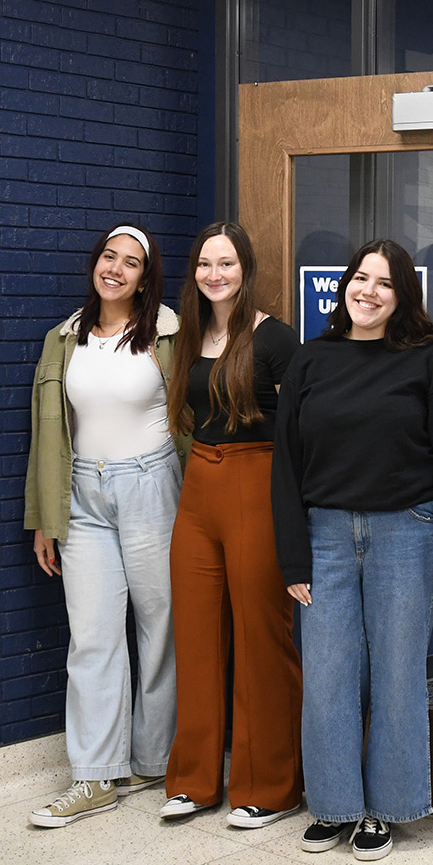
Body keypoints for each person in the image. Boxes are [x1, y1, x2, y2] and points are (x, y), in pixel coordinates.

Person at [272, 239, 433, 861]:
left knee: (397, 675)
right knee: (329, 677)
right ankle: (333, 807)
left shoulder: (429, 361)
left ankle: (388, 810)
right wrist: (292, 557)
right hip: (325, 536)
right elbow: (285, 465)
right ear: (344, 286)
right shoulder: (311, 360)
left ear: (402, 296)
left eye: (383, 284)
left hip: (406, 532)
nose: (367, 291)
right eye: (359, 279)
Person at [24, 223, 187, 828]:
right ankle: (92, 777)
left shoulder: (169, 333)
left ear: (147, 278)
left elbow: (194, 415)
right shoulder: (63, 339)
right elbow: (46, 433)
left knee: (160, 623)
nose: (116, 268)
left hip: (153, 485)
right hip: (81, 496)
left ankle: (151, 760)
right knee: (91, 633)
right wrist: (45, 517)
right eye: (109, 257)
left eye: (132, 262)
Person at [161, 221, 304, 828]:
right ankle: (194, 781)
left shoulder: (275, 339)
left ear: (246, 269)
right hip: (199, 487)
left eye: (226, 264)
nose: (214, 275)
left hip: (256, 481)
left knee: (259, 637)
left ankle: (269, 787)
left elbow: (302, 429)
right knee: (194, 636)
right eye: (203, 264)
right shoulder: (191, 333)